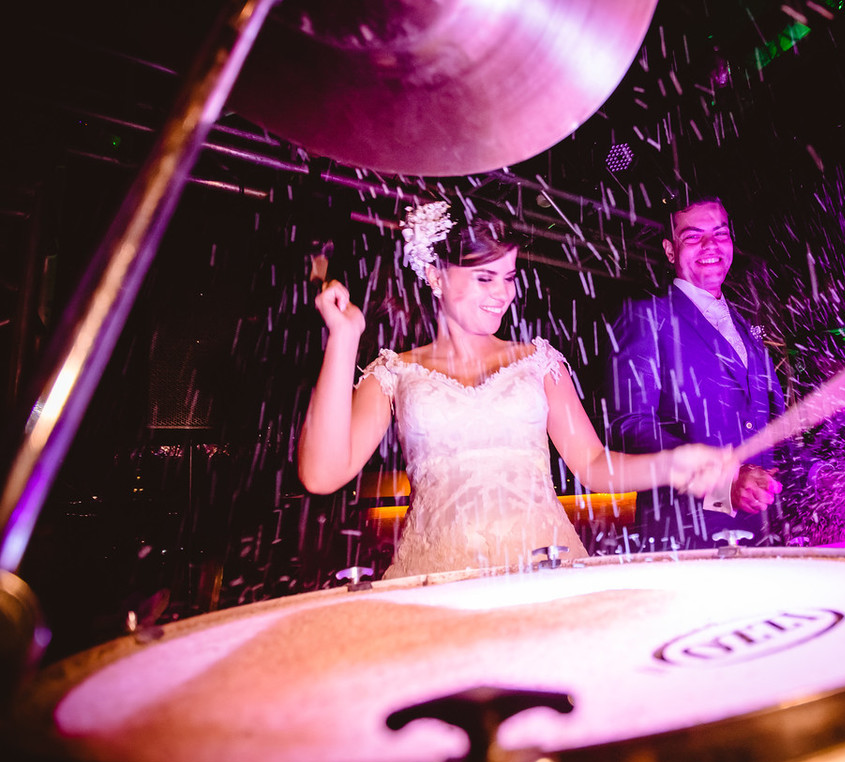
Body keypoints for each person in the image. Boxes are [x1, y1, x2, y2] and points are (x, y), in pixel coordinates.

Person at [296, 201, 733, 578]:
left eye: (509, 277)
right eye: (485, 278)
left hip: (543, 566)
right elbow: (321, 474)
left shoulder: (539, 361)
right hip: (437, 577)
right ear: (435, 276)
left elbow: (595, 465)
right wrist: (344, 337)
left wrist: (672, 464)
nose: (503, 294)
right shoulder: (395, 373)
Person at [607, 194, 795, 550]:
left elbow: (775, 426)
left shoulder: (751, 329)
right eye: (693, 236)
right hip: (687, 535)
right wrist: (725, 482)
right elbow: (629, 427)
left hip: (767, 534)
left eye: (720, 233)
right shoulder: (647, 317)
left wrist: (818, 473)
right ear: (670, 250)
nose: (710, 245)